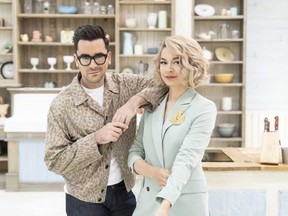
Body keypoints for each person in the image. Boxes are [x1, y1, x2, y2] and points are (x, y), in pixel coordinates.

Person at [44, 24, 167, 216]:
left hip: (124, 193)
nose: (93, 64)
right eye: (85, 58)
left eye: (98, 56)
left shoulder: (126, 84)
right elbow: (53, 160)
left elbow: (163, 84)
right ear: (76, 60)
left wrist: (134, 102)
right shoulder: (61, 105)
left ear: (108, 57)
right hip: (83, 199)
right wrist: (96, 139)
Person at [128, 35, 217, 216]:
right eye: (163, 62)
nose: (169, 69)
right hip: (148, 201)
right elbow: (134, 152)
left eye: (177, 62)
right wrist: (152, 172)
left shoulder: (204, 108)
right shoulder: (153, 105)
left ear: (192, 65)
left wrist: (165, 206)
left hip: (185, 202)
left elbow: (186, 160)